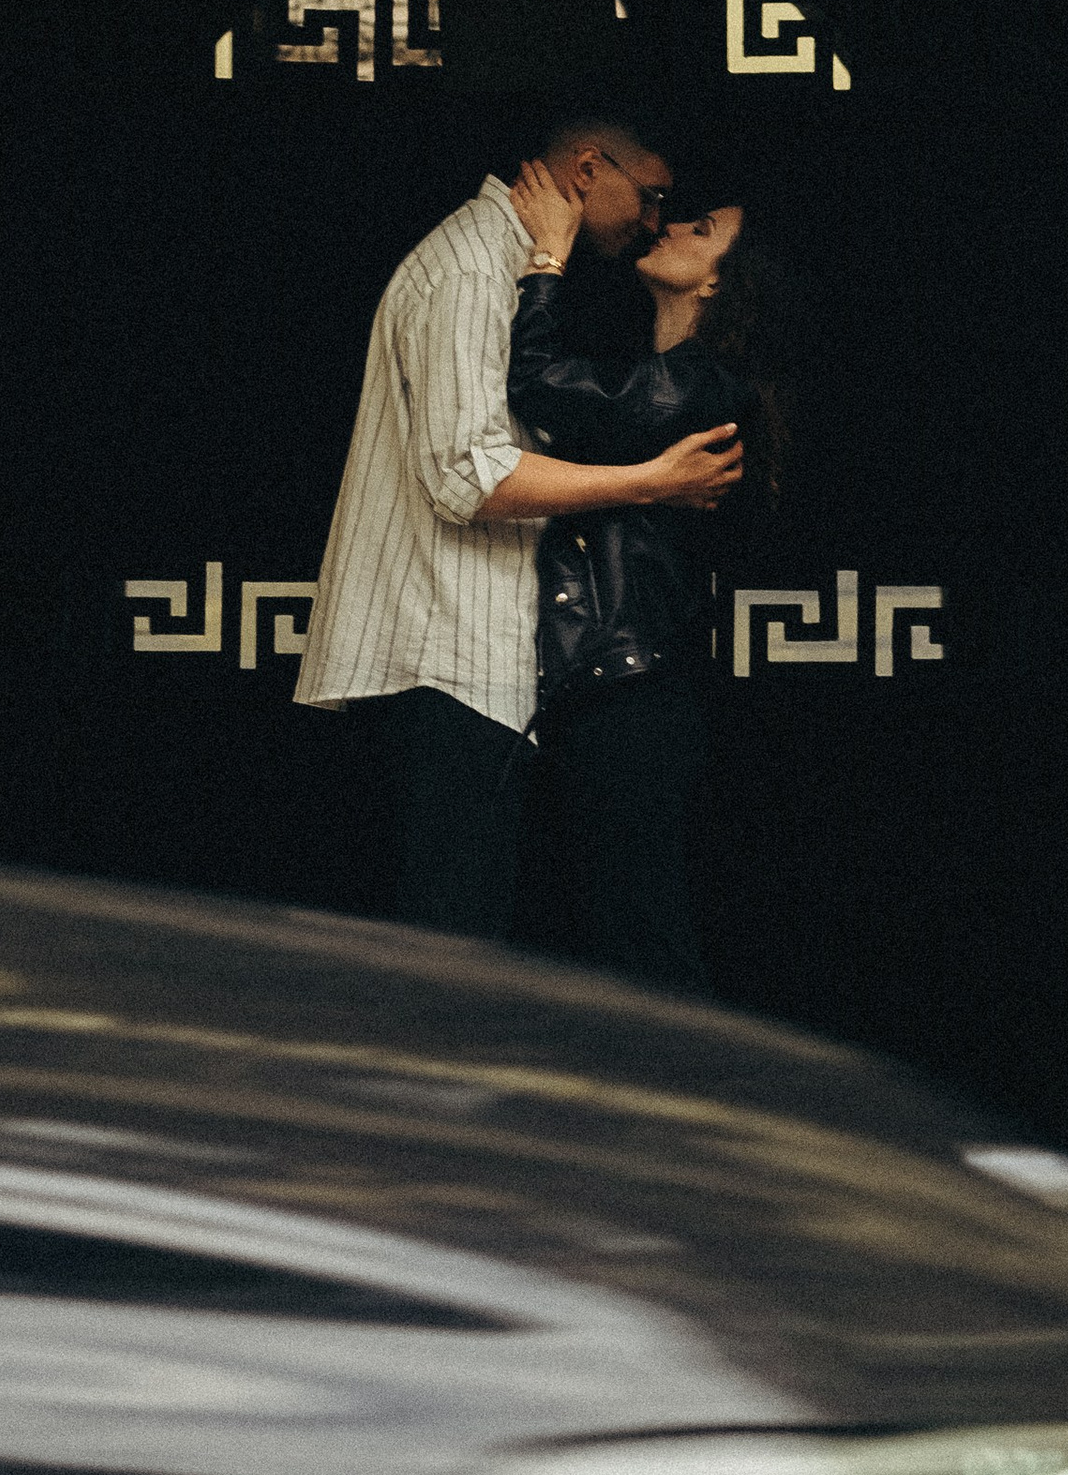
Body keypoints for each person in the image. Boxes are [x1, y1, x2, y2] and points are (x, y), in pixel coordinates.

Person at [293, 112, 743, 939]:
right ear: (586, 172)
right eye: (651, 196)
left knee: (516, 937)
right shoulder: (473, 268)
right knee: (461, 940)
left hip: (513, 666)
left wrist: (546, 266)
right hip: (448, 654)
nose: (655, 219)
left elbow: (534, 409)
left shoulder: (531, 281)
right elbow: (473, 474)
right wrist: (648, 482)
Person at [506, 177, 781, 991]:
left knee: (640, 940)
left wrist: (547, 257)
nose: (672, 228)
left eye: (702, 227)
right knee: (619, 931)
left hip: (630, 696)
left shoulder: (696, 385)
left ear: (717, 281)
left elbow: (540, 386)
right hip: (621, 692)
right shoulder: (664, 379)